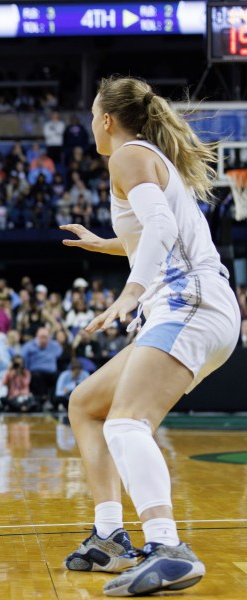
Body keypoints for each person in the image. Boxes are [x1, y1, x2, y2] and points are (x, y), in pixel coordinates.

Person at [59, 76, 241, 596]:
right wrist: (107, 245)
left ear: (107, 120)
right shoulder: (142, 157)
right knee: (86, 404)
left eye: (93, 113)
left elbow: (161, 231)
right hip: (195, 304)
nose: (91, 123)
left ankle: (167, 547)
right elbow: (152, 231)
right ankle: (111, 538)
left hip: (189, 301)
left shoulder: (127, 156)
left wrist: (131, 292)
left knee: (126, 421)